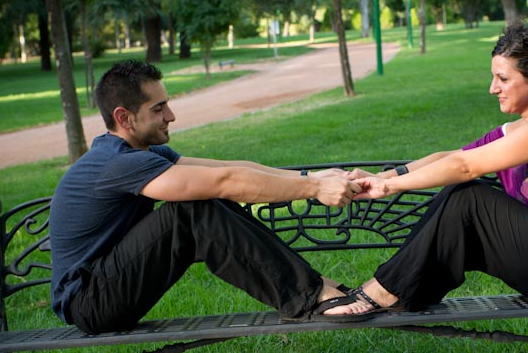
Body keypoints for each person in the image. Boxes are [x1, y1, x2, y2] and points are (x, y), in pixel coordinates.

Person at [325, 23, 528, 318]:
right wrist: (384, 177)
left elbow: (465, 167)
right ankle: (400, 290)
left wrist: (389, 188)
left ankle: (385, 290)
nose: (493, 88)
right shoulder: (527, 126)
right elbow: (455, 155)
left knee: (470, 197)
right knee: (462, 194)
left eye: (503, 79)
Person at [49, 60, 362, 334]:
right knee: (191, 210)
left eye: (166, 104)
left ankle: (311, 286)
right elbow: (228, 181)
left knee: (205, 198)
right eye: (157, 109)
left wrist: (314, 178)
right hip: (91, 301)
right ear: (124, 117)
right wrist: (315, 189)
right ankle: (307, 294)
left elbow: (230, 168)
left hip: (107, 285)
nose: (170, 115)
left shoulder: (142, 152)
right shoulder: (118, 163)